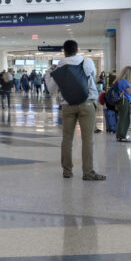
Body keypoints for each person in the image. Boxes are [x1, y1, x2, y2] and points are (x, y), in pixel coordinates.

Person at [45, 40, 105, 181]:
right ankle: (88, 172)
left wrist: (49, 72)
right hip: (87, 104)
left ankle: (67, 171)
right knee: (87, 140)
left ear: (64, 51)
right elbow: (91, 80)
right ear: (77, 50)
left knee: (67, 139)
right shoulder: (87, 62)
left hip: (67, 106)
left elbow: (51, 89)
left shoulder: (59, 66)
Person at [113, 65, 131, 143]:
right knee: (124, 119)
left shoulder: (121, 80)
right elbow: (128, 91)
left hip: (123, 101)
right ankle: (121, 136)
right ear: (129, 73)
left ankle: (121, 135)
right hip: (124, 101)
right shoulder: (124, 81)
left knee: (124, 118)